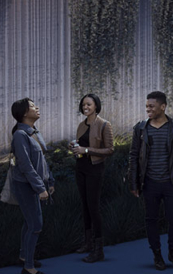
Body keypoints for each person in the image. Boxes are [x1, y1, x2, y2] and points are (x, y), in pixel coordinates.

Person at [129, 91, 173, 271]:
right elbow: (133, 156)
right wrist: (134, 183)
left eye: (151, 106)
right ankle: (157, 254)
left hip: (172, 182)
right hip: (149, 183)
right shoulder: (140, 129)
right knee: (151, 219)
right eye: (147, 106)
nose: (148, 109)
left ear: (162, 107)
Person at [9, 97, 55, 274]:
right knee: (36, 225)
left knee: (30, 223)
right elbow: (26, 165)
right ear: (24, 113)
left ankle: (23, 256)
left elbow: (42, 159)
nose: (37, 108)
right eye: (33, 106)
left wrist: (49, 181)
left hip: (35, 185)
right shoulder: (20, 136)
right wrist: (40, 188)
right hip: (25, 186)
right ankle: (28, 268)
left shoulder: (34, 132)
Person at [71, 93, 115, 263]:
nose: (85, 107)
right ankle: (88, 243)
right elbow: (80, 145)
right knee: (85, 206)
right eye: (83, 105)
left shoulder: (104, 125)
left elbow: (110, 149)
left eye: (88, 104)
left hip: (95, 169)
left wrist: (87, 150)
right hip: (80, 168)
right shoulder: (82, 125)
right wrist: (75, 147)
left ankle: (99, 250)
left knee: (93, 207)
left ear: (96, 105)